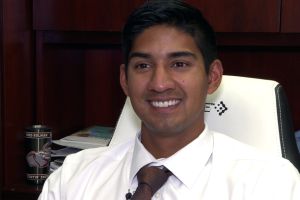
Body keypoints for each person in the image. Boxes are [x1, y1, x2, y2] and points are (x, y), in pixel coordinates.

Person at [39, 1, 300, 199]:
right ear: (124, 80)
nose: (160, 83)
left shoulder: (269, 183)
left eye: (179, 64)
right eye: (143, 66)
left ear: (212, 76)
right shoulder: (72, 179)